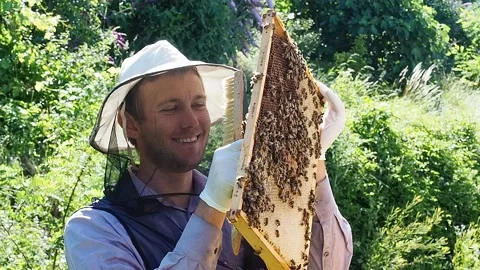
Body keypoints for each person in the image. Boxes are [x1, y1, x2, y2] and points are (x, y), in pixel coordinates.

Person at [64, 40, 352, 269]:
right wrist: (211, 207)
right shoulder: (94, 231)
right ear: (131, 124)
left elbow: (326, 265)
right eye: (170, 108)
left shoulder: (247, 198)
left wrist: (310, 164)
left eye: (198, 104)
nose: (191, 121)